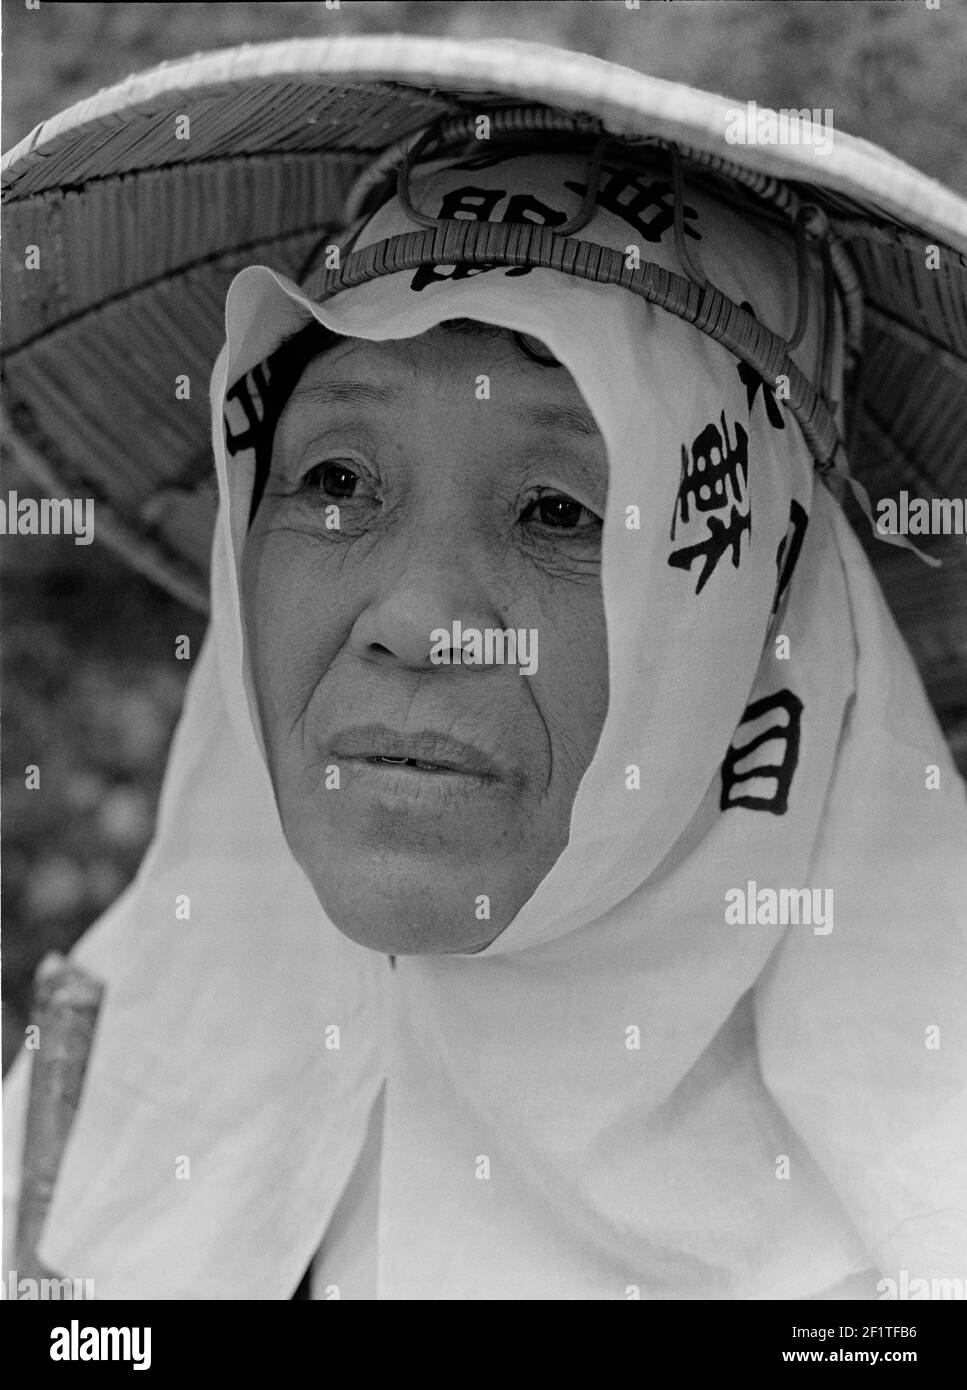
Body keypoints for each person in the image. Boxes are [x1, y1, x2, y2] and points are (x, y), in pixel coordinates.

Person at [3, 51, 966, 1303]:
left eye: (561, 508)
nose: (413, 620)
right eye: (336, 481)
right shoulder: (74, 1151)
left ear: (753, 608)